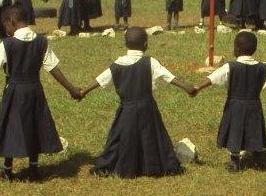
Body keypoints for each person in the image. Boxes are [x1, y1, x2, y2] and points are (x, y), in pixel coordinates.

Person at [0, 5, 82, 181]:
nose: (6, 31)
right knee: (34, 125)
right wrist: (72, 89)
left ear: (11, 22)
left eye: (5, 27)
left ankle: (7, 169)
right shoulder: (41, 41)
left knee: (10, 127)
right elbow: (53, 68)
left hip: (14, 90)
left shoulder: (8, 44)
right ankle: (33, 169)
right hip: (34, 89)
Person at [80, 27, 194, 178]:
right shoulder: (150, 62)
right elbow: (168, 77)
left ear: (125, 43)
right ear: (145, 44)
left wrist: (82, 92)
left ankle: (125, 166)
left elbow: (100, 80)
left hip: (126, 110)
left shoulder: (116, 65)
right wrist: (188, 88)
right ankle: (152, 166)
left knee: (122, 139)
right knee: (151, 138)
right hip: (147, 108)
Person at [192, 31, 266, 172]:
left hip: (235, 106)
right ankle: (258, 159)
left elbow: (213, 78)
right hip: (254, 106)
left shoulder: (231, 66)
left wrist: (198, 87)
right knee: (254, 130)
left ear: (237, 49)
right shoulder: (263, 68)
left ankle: (234, 161)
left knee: (235, 130)